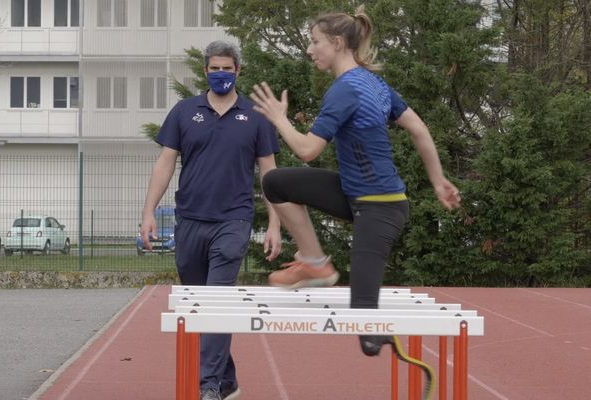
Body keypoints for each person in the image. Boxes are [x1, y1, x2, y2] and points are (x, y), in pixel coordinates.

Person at [250, 6, 461, 356]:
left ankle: (384, 340)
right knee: (276, 183)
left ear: (336, 43)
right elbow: (419, 129)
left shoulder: (346, 90)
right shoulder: (374, 84)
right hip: (355, 195)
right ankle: (316, 263)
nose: (309, 49)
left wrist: (279, 119)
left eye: (314, 41)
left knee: (366, 330)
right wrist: (437, 180)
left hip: (380, 209)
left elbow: (307, 151)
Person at [140, 41, 282, 400]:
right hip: (189, 219)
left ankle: (209, 386)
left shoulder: (255, 116)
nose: (221, 74)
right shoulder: (185, 112)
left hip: (233, 220)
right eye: (214, 68)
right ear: (205, 71)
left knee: (218, 301)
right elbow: (165, 163)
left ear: (238, 71)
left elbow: (270, 173)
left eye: (227, 68)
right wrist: (148, 212)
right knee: (199, 303)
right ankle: (228, 379)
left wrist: (276, 224)